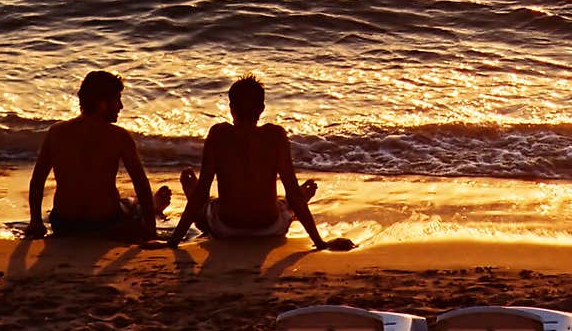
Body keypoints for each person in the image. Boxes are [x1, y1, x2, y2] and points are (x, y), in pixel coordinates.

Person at [167, 74, 353, 250]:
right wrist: (320, 242)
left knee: (203, 208)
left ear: (231, 108)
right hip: (270, 227)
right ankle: (289, 207)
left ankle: (285, 206)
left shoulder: (218, 134)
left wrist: (173, 242)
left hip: (227, 227)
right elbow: (292, 190)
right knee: (287, 202)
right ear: (262, 108)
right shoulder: (276, 136)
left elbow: (202, 191)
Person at [25, 70, 170, 242]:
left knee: (125, 201)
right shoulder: (119, 136)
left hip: (64, 223)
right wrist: (150, 230)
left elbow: (37, 181)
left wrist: (35, 221)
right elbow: (141, 183)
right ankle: (153, 207)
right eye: (117, 99)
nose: (121, 106)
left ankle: (144, 204)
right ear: (102, 103)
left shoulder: (56, 131)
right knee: (132, 204)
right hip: (105, 223)